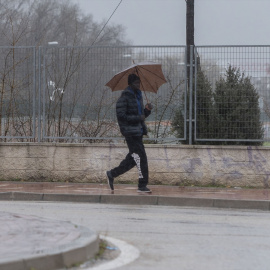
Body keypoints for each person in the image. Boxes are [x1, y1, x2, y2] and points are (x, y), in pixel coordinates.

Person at [106, 73, 153, 193]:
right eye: (136, 82)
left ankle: (112, 174)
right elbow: (122, 116)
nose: (138, 84)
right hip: (130, 133)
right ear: (130, 84)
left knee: (133, 159)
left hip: (138, 132)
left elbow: (140, 115)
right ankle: (142, 186)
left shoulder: (138, 95)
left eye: (139, 82)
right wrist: (139, 117)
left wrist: (147, 111)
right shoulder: (125, 97)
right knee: (141, 158)